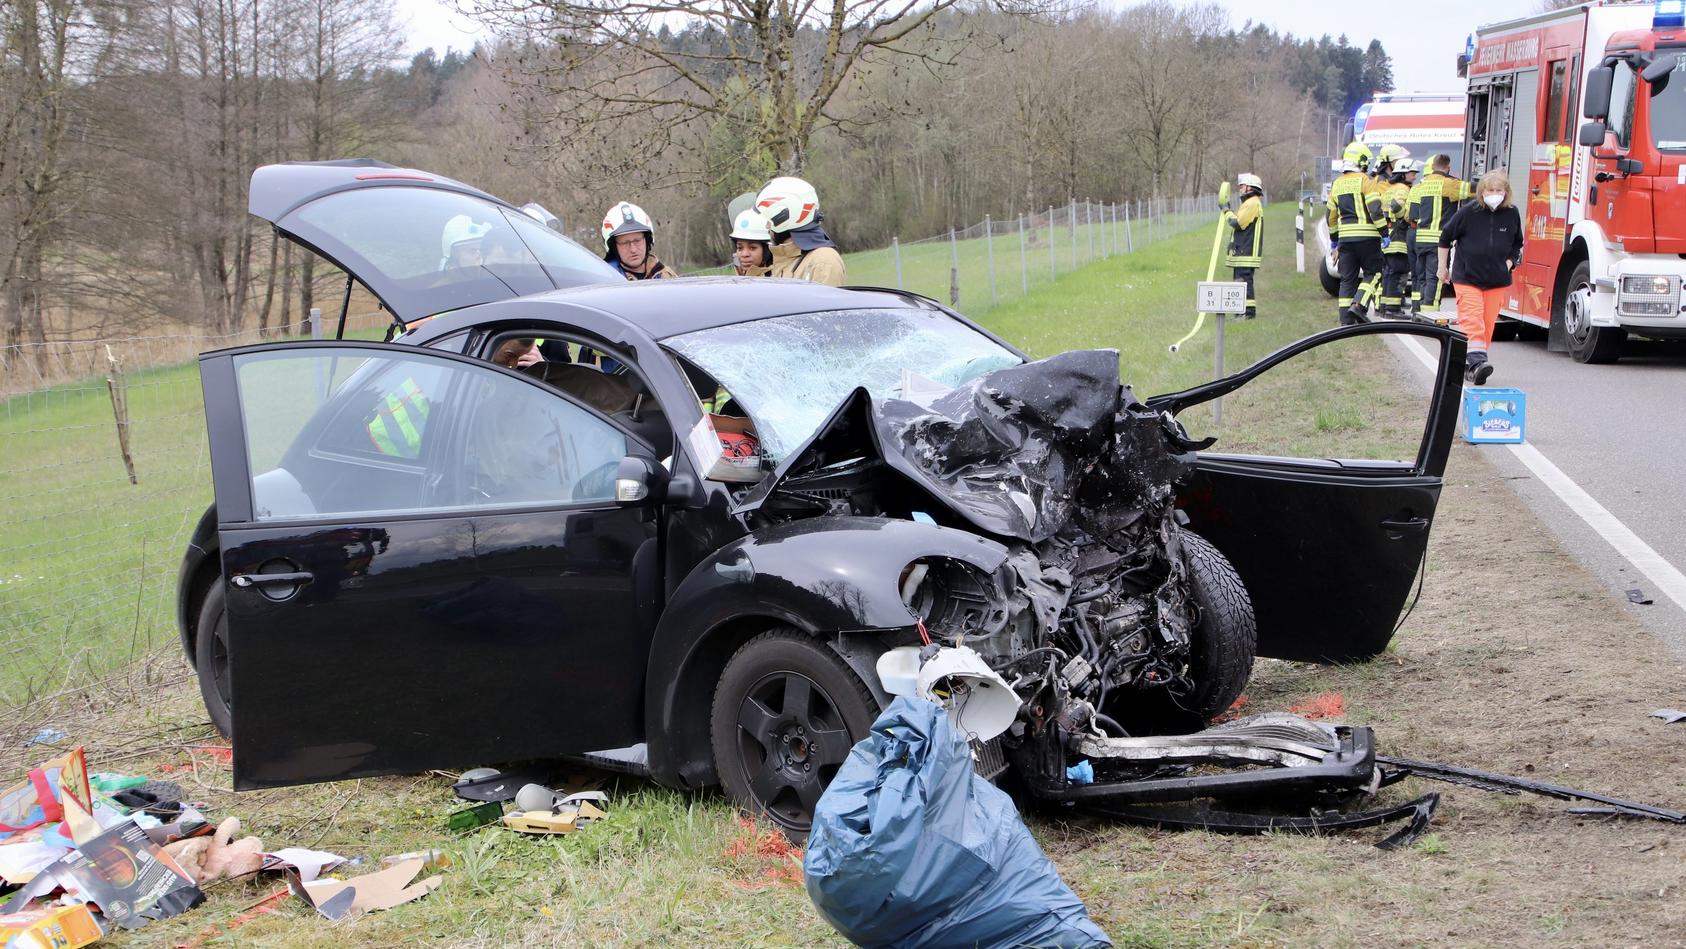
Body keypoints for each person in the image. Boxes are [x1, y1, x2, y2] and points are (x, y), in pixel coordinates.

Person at [1438, 170, 1523, 385]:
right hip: (1467, 277)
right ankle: (1477, 362)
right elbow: (1445, 237)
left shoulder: (1512, 213)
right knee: (1472, 319)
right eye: (1490, 190)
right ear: (1482, 191)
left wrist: (1510, 262)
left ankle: (1471, 364)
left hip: (1497, 279)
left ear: (1506, 192)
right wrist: (1442, 267)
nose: (1494, 194)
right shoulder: (1469, 212)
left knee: (1487, 324)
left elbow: (1517, 244)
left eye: (1499, 190)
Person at [1326, 142, 1384, 325]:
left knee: (1347, 280)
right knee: (1374, 274)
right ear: (1362, 161)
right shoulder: (1366, 181)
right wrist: (1385, 232)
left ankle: (1345, 322)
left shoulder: (1336, 184)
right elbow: (1375, 209)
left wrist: (1334, 242)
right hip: (1368, 237)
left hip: (1345, 240)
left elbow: (1330, 217)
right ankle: (1359, 305)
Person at [1408, 153, 1470, 318]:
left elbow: (1411, 215)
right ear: (1447, 167)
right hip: (1438, 241)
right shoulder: (1449, 184)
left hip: (1419, 240)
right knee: (1435, 281)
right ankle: (1429, 318)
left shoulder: (1419, 187)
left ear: (1432, 167)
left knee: (1422, 279)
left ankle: (1418, 313)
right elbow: (1475, 190)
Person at [756, 176, 846, 285]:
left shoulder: (823, 261)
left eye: (768, 220)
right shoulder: (781, 260)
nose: (767, 227)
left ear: (783, 217)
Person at [600, 201, 680, 280]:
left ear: (647, 241)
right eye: (625, 243)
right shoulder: (607, 281)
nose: (633, 249)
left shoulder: (666, 276)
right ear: (613, 247)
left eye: (637, 241)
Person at [1379, 159, 1417, 317]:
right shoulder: (1402, 188)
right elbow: (1396, 206)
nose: (1414, 177)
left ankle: (1384, 307)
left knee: (1389, 273)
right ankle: (1393, 310)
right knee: (1398, 273)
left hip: (1388, 236)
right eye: (1412, 173)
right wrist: (1405, 220)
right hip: (1398, 236)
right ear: (1403, 174)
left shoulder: (1390, 188)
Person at [1223, 173, 1264, 319]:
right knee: (1240, 283)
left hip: (1246, 251)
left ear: (1250, 187)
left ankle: (1247, 314)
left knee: (1244, 283)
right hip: (1242, 251)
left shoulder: (1252, 203)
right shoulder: (1250, 203)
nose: (1240, 189)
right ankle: (1242, 313)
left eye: (1242, 186)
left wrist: (1226, 211)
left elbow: (1238, 223)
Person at [730, 208, 773, 276]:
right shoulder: (737, 279)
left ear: (767, 250)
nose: (744, 254)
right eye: (740, 248)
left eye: (752, 248)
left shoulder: (780, 279)